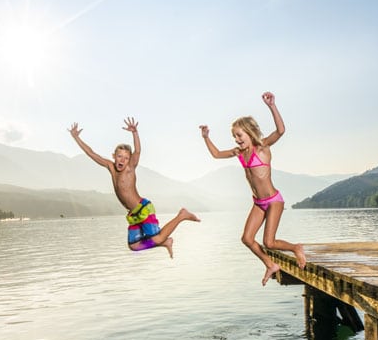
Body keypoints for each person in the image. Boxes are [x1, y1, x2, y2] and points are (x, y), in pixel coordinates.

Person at [199, 92, 306, 285]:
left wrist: (272, 106)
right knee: (247, 239)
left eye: (239, 135)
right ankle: (270, 264)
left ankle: (296, 247)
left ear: (249, 132)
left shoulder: (262, 148)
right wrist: (206, 137)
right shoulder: (239, 153)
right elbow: (216, 154)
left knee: (269, 242)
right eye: (234, 136)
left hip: (274, 201)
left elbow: (280, 131)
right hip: (258, 203)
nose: (237, 139)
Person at [69, 117, 199, 257]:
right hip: (133, 213)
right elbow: (91, 153)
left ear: (129, 160)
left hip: (143, 209)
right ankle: (165, 243)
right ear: (114, 156)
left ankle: (181, 215)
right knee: (134, 246)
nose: (122, 160)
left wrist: (135, 133)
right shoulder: (111, 167)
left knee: (157, 237)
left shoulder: (130, 168)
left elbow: (137, 151)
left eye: (126, 158)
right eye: (119, 156)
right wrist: (76, 137)